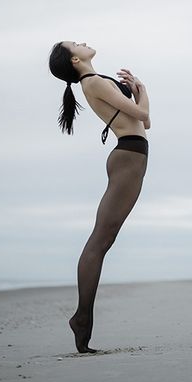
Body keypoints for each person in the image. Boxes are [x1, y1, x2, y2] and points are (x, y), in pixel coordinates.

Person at [48, 40, 151, 353]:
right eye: (75, 44)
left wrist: (138, 88)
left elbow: (144, 121)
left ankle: (83, 318)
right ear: (76, 59)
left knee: (103, 240)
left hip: (130, 155)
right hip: (128, 158)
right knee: (100, 241)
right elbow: (143, 114)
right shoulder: (92, 82)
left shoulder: (96, 81)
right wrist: (141, 90)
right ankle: (82, 318)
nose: (82, 42)